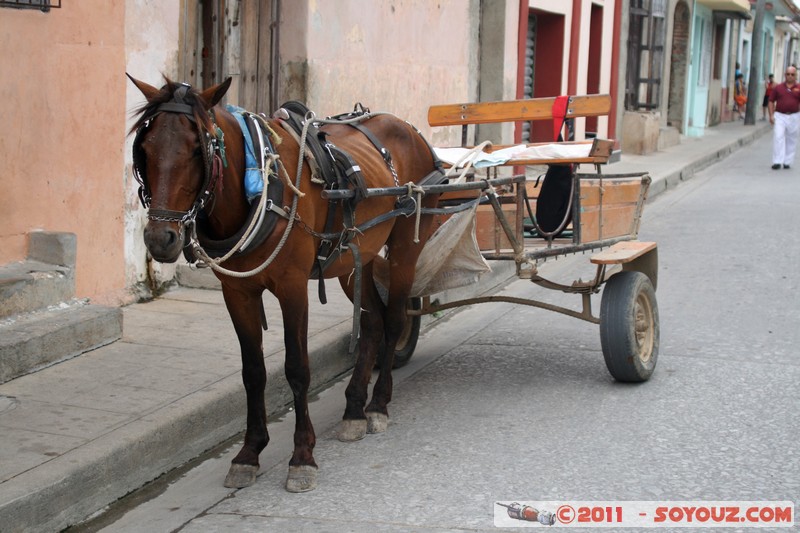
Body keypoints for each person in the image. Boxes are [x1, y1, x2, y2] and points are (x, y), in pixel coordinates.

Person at [768, 66, 800, 169]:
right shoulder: (778, 88)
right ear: (784, 75)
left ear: (796, 75)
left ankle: (787, 161)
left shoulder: (799, 87)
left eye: (792, 74)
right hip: (780, 115)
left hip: (794, 116)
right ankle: (777, 161)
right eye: (788, 74)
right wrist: (771, 115)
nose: (790, 76)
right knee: (778, 137)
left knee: (791, 139)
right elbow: (771, 101)